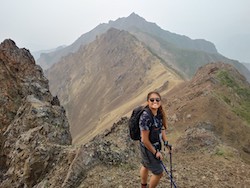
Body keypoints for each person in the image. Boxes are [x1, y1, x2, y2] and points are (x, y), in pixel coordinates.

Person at [139, 91, 169, 188]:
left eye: (157, 99)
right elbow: (145, 140)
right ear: (148, 101)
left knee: (145, 165)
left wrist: (166, 142)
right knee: (158, 173)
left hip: (152, 145)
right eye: (152, 100)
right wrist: (156, 152)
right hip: (147, 147)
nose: (155, 101)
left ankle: (143, 186)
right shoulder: (145, 117)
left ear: (160, 101)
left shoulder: (158, 113)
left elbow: (162, 128)